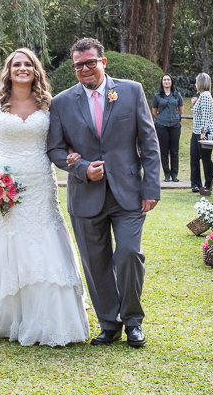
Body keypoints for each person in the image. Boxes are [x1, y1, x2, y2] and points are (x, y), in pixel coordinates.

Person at [0, 49, 89, 346]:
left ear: (36, 70)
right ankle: (6, 314)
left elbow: (63, 141)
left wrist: (73, 155)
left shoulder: (49, 104)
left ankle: (51, 317)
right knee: (8, 240)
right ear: (8, 71)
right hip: (4, 180)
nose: (22, 69)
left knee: (44, 238)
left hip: (40, 182)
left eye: (28, 64)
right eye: (16, 65)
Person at [47, 37, 160, 348]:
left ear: (103, 62)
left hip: (129, 195)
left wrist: (151, 187)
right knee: (95, 263)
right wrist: (82, 168)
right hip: (85, 196)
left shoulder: (131, 91)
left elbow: (149, 143)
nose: (84, 69)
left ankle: (133, 322)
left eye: (90, 63)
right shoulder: (61, 102)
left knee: (128, 254)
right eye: (78, 65)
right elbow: (55, 149)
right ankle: (109, 323)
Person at [152, 74, 184, 182]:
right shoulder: (157, 96)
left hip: (175, 124)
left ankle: (174, 174)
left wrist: (174, 117)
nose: (166, 81)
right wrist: (162, 118)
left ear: (171, 82)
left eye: (168, 80)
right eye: (164, 80)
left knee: (174, 150)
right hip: (161, 125)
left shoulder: (177, 95)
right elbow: (154, 111)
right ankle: (166, 174)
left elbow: (181, 110)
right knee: (164, 150)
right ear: (162, 82)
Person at [189, 73, 213, 193]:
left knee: (205, 158)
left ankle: (209, 183)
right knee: (194, 157)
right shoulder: (201, 97)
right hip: (196, 131)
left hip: (205, 132)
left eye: (196, 82)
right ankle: (195, 184)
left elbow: (205, 116)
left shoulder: (206, 96)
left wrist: (203, 132)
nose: (195, 85)